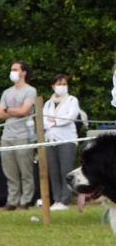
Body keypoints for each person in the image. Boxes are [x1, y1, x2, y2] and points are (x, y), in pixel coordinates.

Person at [0, 61, 37, 210]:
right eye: (11, 69)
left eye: (15, 69)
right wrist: (13, 110)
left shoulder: (30, 90)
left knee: (25, 171)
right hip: (6, 136)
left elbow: (24, 111)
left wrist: (8, 109)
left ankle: (25, 200)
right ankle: (12, 200)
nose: (12, 72)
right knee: (10, 171)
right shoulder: (6, 92)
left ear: (23, 72)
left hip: (23, 135)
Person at [41, 73, 81, 211]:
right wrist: (51, 123)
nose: (62, 87)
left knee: (66, 170)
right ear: (53, 86)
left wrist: (56, 121)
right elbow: (43, 120)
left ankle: (65, 200)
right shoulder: (47, 103)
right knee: (54, 171)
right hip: (50, 140)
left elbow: (70, 116)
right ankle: (57, 199)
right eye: (59, 84)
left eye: (64, 84)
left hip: (67, 140)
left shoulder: (72, 100)